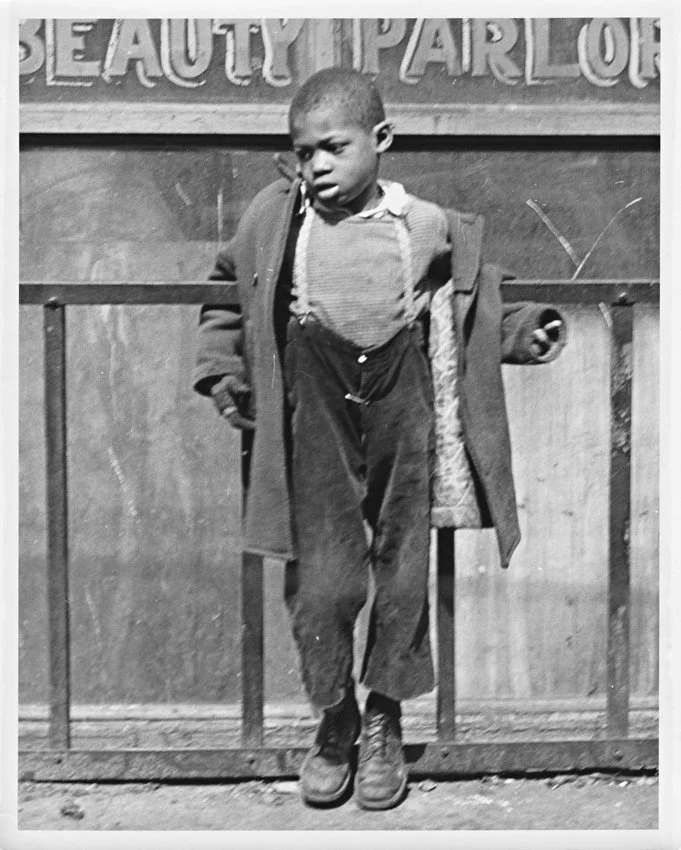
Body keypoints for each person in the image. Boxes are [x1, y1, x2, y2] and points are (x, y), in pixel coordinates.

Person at [192, 67, 565, 810]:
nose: (316, 165)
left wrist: (524, 330)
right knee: (324, 580)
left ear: (380, 141)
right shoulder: (275, 217)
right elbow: (224, 292)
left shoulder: (422, 223)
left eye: (333, 147)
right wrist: (222, 372)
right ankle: (334, 717)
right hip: (314, 407)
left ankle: (384, 722)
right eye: (302, 152)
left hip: (403, 402)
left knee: (401, 575)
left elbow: (473, 300)